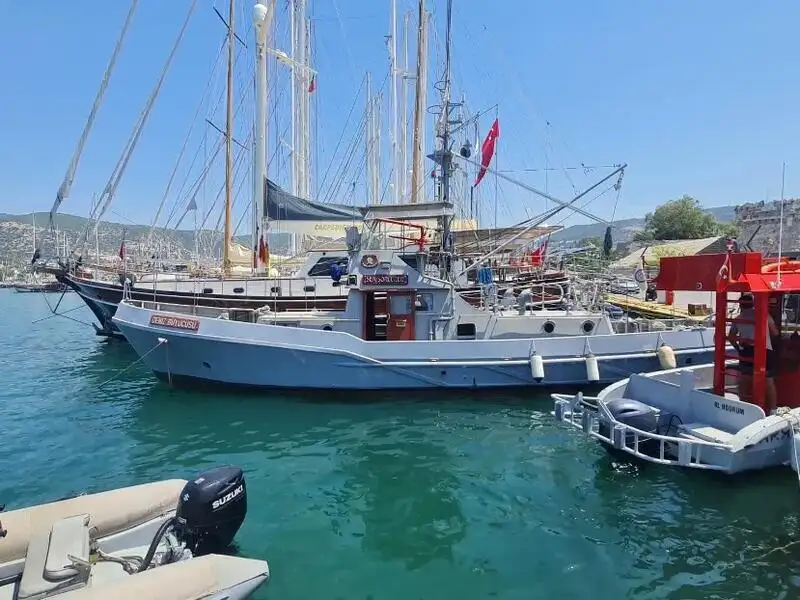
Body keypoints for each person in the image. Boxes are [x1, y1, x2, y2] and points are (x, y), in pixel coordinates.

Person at [727, 293, 780, 412]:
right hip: (765, 350)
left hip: (746, 351)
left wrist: (738, 349)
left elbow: (731, 337)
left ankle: (745, 408)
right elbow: (775, 333)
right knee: (768, 380)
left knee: (745, 379)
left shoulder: (738, 318)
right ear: (753, 303)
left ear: (740, 305)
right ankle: (773, 410)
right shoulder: (764, 314)